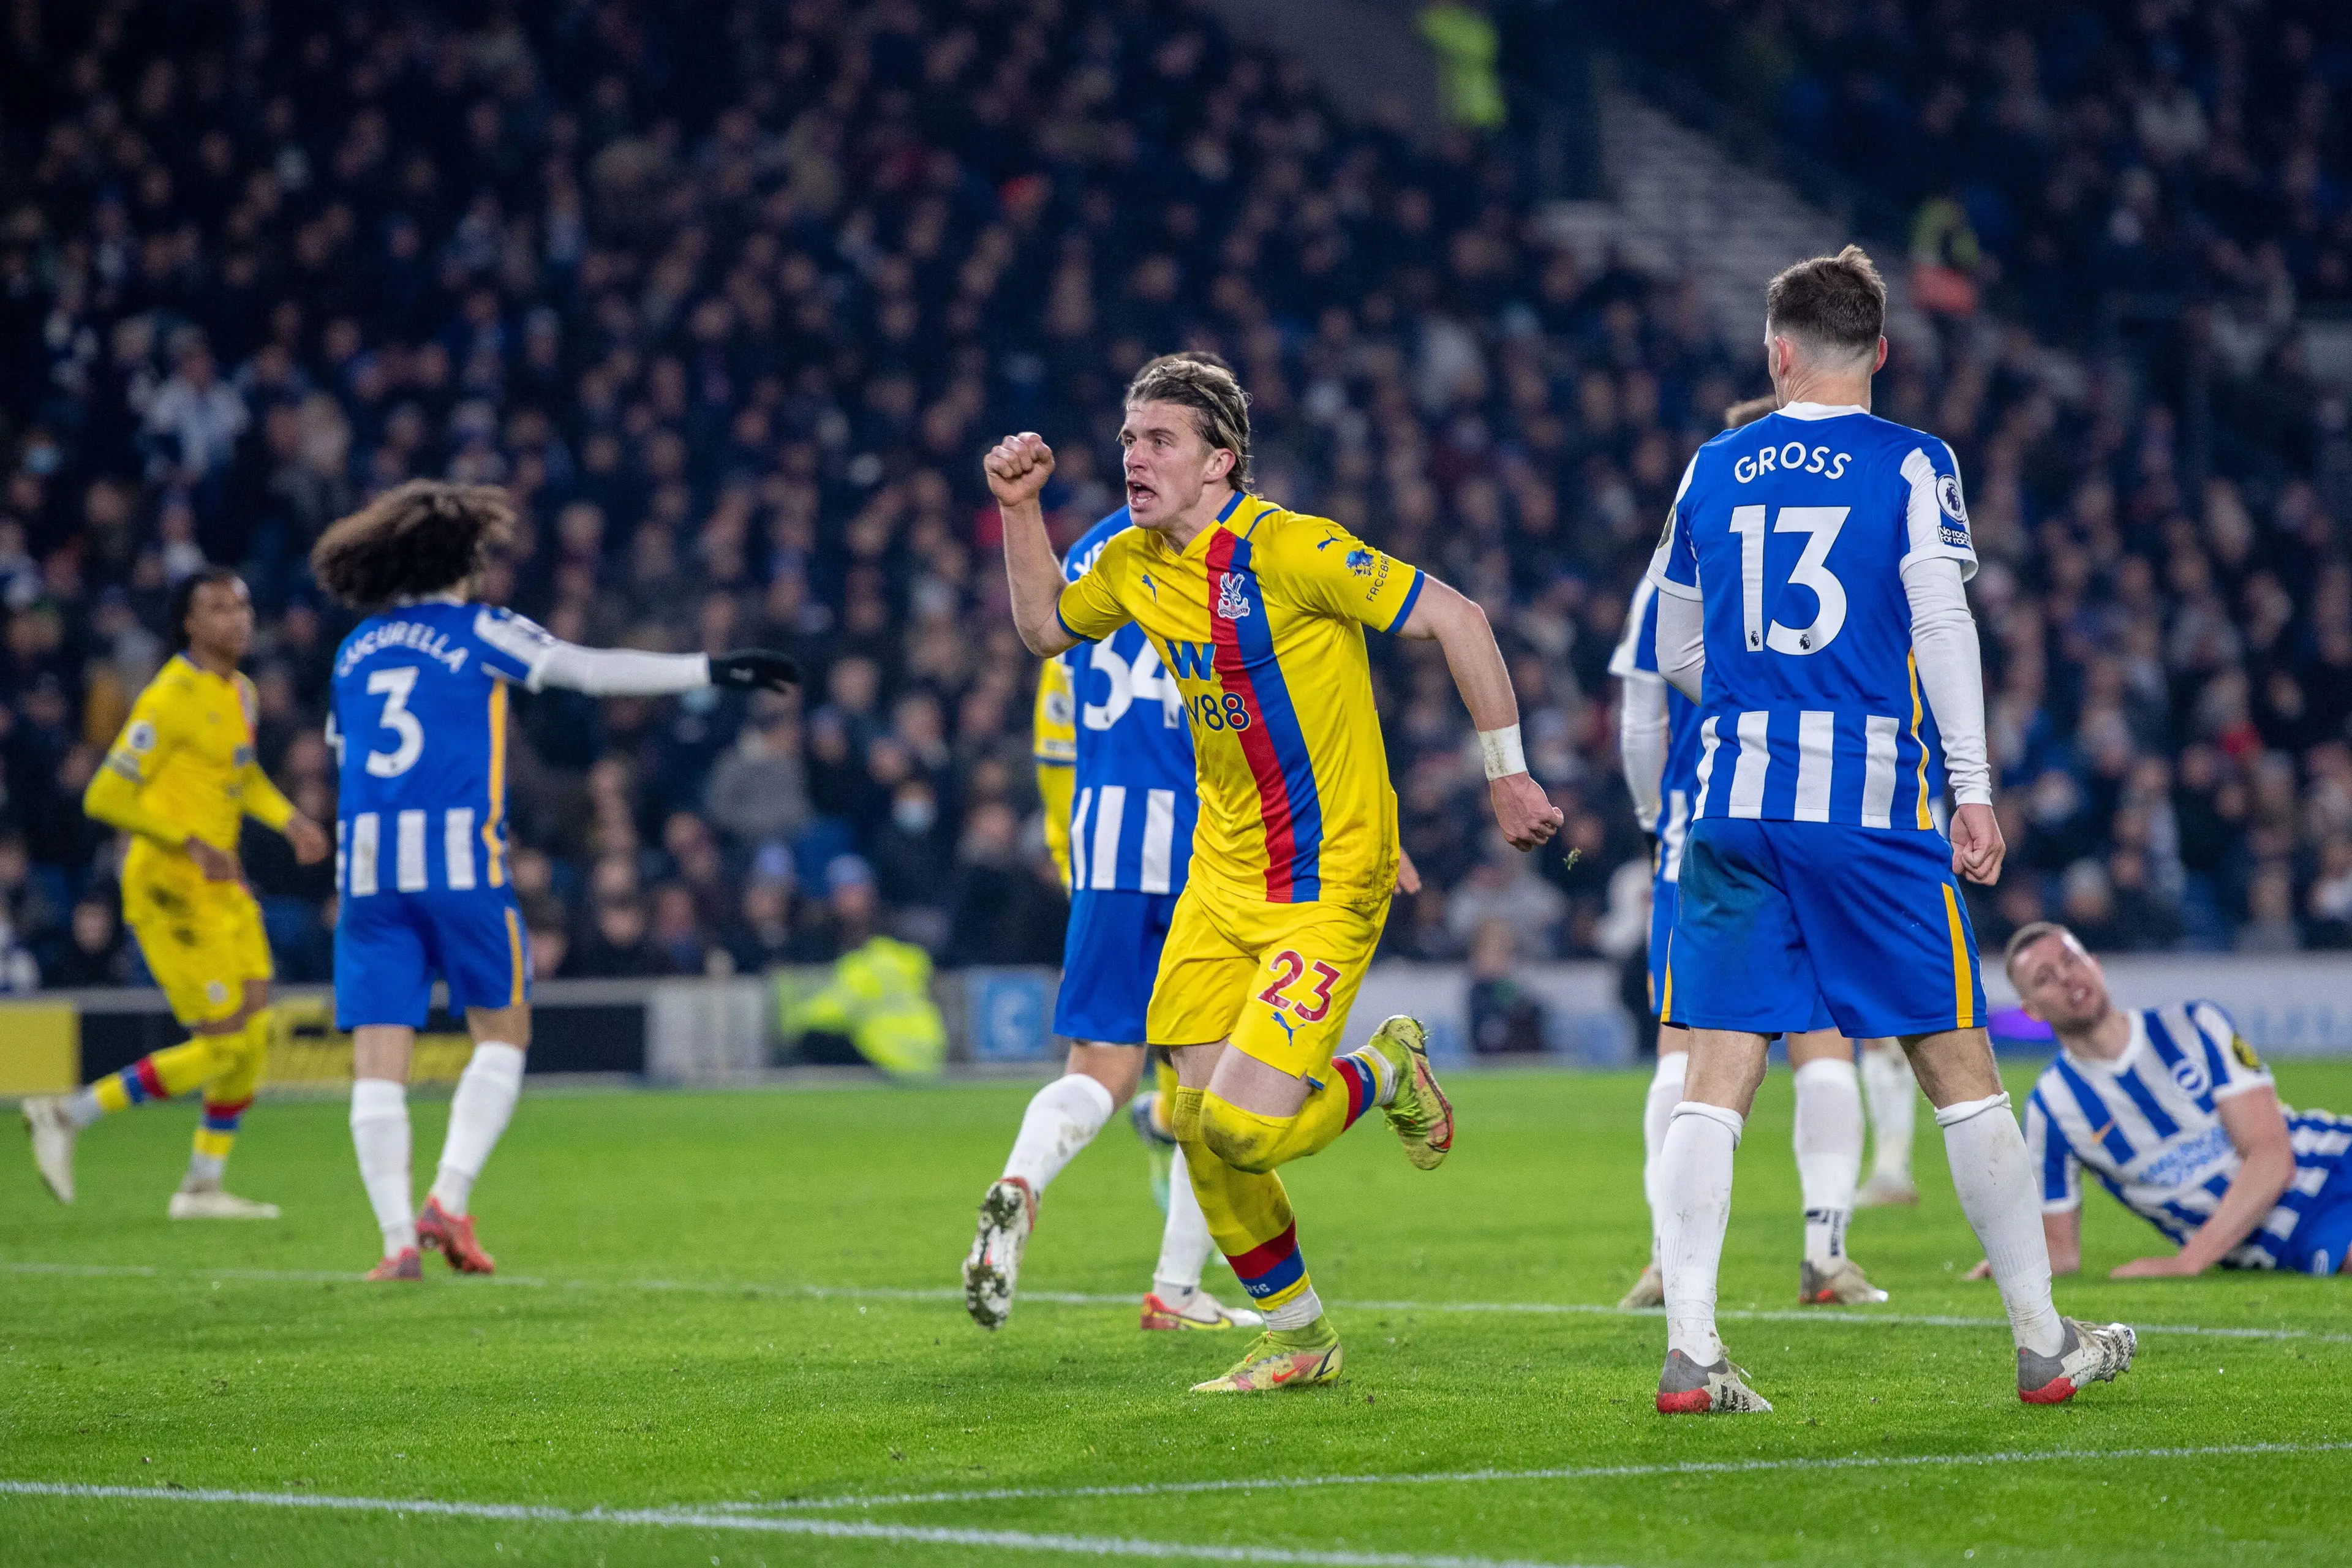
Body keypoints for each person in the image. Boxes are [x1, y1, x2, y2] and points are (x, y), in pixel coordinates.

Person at [986, 355, 1561, 1393]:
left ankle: (1385, 1070)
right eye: (1128, 440)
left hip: (1326, 881)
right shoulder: (1133, 562)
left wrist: (1507, 775)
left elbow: (1460, 618)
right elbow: (1041, 629)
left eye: (1160, 441)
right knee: (1195, 1126)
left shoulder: (1292, 548)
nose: (1134, 458)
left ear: (1220, 462)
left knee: (1245, 1128)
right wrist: (1019, 510)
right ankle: (1299, 1336)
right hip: (1218, 881)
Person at [1645, 246, 2134, 1412]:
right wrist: (1973, 786)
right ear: (1880, 351)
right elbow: (1944, 625)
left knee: (1714, 1074)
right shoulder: (1913, 461)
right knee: (1958, 1069)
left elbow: (1673, 649)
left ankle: (1693, 1350)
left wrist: (1759, 708)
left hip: (1732, 804)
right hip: (1868, 811)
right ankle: (2042, 1341)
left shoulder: (1710, 466)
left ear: (1777, 352)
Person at [311, 480, 796, 1281]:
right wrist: (708, 668)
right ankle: (448, 1199)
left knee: (377, 1061)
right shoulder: (479, 629)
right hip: (459, 866)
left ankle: (397, 1243)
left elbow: (345, 753)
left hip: (367, 874)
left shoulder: (356, 649)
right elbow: (589, 670)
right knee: (502, 1037)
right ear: (464, 560)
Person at [963, 442, 1260, 1337]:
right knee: (1216, 1083)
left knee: (1098, 1065)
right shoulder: (1232, 552)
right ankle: (1175, 1290)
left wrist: (1069, 845)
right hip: (1206, 840)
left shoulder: (1094, 551)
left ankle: (1021, 1180)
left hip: (1105, 839)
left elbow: (1054, 723)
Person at [1613, 395, 1898, 1313]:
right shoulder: (1857, 528)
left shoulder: (1688, 546)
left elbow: (1641, 715)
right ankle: (1827, 1253)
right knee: (1826, 1040)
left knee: (1685, 1042)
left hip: (1710, 818)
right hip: (1831, 809)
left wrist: (1655, 818)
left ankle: (1666, 1259)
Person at [23, 568, 330, 1218]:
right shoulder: (167, 698)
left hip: (223, 887)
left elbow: (240, 776)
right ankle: (67, 1113)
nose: (237, 618)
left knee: (255, 1033)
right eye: (218, 608)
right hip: (170, 890)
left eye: (242, 606)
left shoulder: (242, 692)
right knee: (224, 1045)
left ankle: (202, 1186)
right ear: (189, 623)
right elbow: (105, 794)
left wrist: (290, 821)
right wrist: (188, 842)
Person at [1981, 922, 2351, 1278]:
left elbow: (2272, 1156)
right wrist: (2012, 1266)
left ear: (2095, 964)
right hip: (2295, 1235)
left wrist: (2189, 1262)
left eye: (2071, 960)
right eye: (2045, 978)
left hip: (2335, 1160)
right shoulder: (2051, 1108)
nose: (2066, 978)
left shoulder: (2194, 1025)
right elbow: (2061, 1250)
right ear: (2031, 1011)